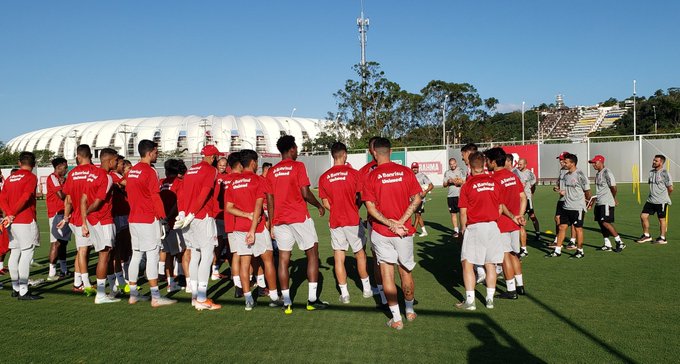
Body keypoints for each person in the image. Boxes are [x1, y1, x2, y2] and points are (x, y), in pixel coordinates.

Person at [362, 137, 422, 330]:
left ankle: (396, 319)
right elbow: (417, 198)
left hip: (381, 231)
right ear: (391, 151)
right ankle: (410, 311)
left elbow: (370, 209)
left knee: (387, 274)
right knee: (406, 272)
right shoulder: (405, 172)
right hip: (403, 232)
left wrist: (390, 223)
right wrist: (401, 222)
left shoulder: (370, 176)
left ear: (373, 152)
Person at [266, 135, 328, 314]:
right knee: (313, 254)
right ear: (292, 148)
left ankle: (287, 303)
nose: (297, 150)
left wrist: (271, 223)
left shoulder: (272, 172)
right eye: (296, 147)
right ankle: (312, 300)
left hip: (280, 220)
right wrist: (318, 205)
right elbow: (305, 192)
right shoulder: (298, 166)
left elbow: (270, 199)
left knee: (283, 260)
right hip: (299, 217)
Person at [226, 149, 281, 310]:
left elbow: (229, 208)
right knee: (268, 261)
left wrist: (245, 215)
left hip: (239, 228)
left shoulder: (233, 183)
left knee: (245, 263)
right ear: (253, 162)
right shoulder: (258, 180)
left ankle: (248, 300)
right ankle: (273, 296)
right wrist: (252, 225)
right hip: (256, 228)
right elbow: (258, 205)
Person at [318, 142, 372, 303]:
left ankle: (345, 294)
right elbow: (361, 196)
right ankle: (367, 290)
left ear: (332, 155)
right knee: (360, 254)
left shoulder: (324, 177)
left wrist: (335, 211)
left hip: (336, 221)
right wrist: (354, 208)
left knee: (339, 256)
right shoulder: (354, 174)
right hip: (352, 220)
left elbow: (325, 202)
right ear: (345, 154)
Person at [125, 139, 176, 307]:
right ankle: (155, 296)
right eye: (156, 151)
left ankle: (133, 294)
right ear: (149, 152)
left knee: (137, 254)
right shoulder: (150, 171)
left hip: (134, 218)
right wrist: (162, 217)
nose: (157, 154)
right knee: (152, 255)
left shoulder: (132, 171)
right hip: (147, 218)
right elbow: (155, 196)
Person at [455, 151, 507, 311]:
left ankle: (470, 301)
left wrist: (463, 230)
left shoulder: (467, 185)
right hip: (492, 226)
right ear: (484, 165)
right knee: (490, 264)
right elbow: (500, 207)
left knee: (467, 263)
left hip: (475, 227)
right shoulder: (494, 183)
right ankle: (489, 299)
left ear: (470, 166)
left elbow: (463, 212)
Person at [176, 144, 222, 311]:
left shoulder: (191, 170)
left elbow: (181, 194)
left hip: (188, 218)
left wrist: (183, 213)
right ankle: (202, 298)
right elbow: (205, 192)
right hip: (201, 216)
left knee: (195, 255)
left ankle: (195, 297)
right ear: (214, 157)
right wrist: (193, 212)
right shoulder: (210, 170)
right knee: (207, 255)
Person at [0, 151, 43, 300]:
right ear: (34, 164)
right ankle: (23, 290)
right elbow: (26, 197)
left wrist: (8, 214)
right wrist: (13, 213)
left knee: (15, 252)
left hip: (12, 221)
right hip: (25, 219)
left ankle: (15, 287)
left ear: (19, 163)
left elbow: (2, 197)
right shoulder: (31, 177)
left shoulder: (11, 177)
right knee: (27, 253)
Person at [485, 148, 526, 299]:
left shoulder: (494, 179)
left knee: (504, 256)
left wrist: (511, 216)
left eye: (487, 160)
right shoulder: (513, 176)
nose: (486, 163)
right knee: (514, 254)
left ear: (494, 162)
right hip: (515, 223)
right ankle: (520, 286)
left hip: (502, 223)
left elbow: (500, 205)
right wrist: (519, 216)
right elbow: (523, 197)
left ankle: (511, 290)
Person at [81, 148, 120, 304]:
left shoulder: (92, 174)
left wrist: (85, 220)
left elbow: (83, 199)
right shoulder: (107, 177)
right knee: (104, 255)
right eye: (116, 160)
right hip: (103, 219)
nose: (117, 162)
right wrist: (87, 215)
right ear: (109, 161)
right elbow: (96, 203)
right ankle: (101, 294)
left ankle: (111, 288)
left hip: (93, 220)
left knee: (105, 254)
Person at [59, 144, 98, 296]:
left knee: (82, 250)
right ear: (90, 156)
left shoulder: (72, 173)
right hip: (91, 218)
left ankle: (77, 282)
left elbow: (68, 199)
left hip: (76, 217)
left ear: (78, 156)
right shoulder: (95, 171)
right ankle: (86, 284)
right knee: (84, 250)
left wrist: (66, 217)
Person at [547, 153, 591, 258]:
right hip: (566, 206)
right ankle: (557, 250)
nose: (564, 164)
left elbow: (587, 192)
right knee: (562, 227)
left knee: (578, 229)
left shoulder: (580, 175)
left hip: (577, 207)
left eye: (566, 162)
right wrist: (561, 191)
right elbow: (568, 189)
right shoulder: (566, 175)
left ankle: (580, 251)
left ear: (572, 163)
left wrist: (587, 204)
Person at [358, 136, 384, 305]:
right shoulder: (364, 171)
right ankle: (384, 293)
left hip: (378, 221)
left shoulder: (364, 171)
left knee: (379, 258)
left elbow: (359, 198)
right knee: (379, 258)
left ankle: (383, 294)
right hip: (381, 221)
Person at [159, 159, 186, 294]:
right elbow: (178, 203)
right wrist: (169, 216)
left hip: (163, 221)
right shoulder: (179, 183)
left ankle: (171, 282)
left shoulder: (162, 183)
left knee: (168, 252)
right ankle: (181, 276)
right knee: (182, 251)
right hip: (174, 221)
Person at [588, 155, 625, 252]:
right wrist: (593, 202)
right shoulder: (598, 174)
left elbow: (613, 187)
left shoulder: (607, 172)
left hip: (606, 202)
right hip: (600, 202)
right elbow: (600, 190)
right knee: (601, 223)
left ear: (600, 162)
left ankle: (619, 242)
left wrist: (613, 198)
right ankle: (607, 244)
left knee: (605, 222)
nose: (593, 165)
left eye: (595, 162)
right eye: (592, 163)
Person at [636, 155, 674, 244]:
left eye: (656, 161)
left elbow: (670, 188)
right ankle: (646, 235)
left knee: (661, 219)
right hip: (650, 200)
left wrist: (665, 197)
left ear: (661, 162)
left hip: (661, 201)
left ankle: (662, 238)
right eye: (653, 160)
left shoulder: (665, 173)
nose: (653, 162)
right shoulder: (651, 172)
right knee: (643, 216)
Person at [45, 157, 71, 281]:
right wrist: (71, 194)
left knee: (63, 242)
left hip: (64, 213)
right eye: (65, 167)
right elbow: (61, 195)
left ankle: (64, 269)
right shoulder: (53, 178)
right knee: (56, 242)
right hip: (56, 214)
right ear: (58, 166)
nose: (66, 169)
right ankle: (51, 272)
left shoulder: (62, 179)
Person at [513, 158, 539, 257]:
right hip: (518, 200)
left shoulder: (530, 174)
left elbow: (533, 186)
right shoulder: (515, 172)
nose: (519, 166)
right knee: (521, 222)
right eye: (518, 164)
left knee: (532, 216)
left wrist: (530, 195)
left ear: (525, 164)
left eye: (521, 164)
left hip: (526, 199)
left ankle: (537, 233)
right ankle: (522, 246)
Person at [551, 152, 577, 249]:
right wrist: (557, 187)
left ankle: (572, 241)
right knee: (557, 218)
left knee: (573, 221)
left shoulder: (571, 171)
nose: (560, 162)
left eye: (562, 160)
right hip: (561, 199)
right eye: (560, 160)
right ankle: (558, 240)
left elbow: (575, 186)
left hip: (570, 199)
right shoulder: (562, 170)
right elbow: (559, 182)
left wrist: (566, 192)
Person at [211, 157, 229, 281]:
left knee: (227, 244)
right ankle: (214, 270)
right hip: (217, 215)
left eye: (224, 165)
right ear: (217, 165)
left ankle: (235, 273)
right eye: (220, 164)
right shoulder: (213, 175)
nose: (222, 167)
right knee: (217, 244)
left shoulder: (229, 176)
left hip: (227, 214)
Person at [443, 158, 465, 238]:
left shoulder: (461, 171)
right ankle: (455, 230)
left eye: (453, 163)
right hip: (450, 196)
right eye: (451, 164)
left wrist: (455, 181)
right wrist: (448, 182)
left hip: (459, 195)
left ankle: (461, 229)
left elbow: (464, 182)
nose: (452, 165)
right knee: (453, 213)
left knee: (461, 213)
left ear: (456, 163)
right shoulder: (447, 173)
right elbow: (444, 185)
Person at [411, 162, 434, 237]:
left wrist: (425, 192)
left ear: (418, 168)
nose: (415, 169)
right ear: (411, 168)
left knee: (417, 214)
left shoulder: (422, 176)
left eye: (416, 168)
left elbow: (431, 185)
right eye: (413, 168)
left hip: (421, 199)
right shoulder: (410, 176)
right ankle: (424, 231)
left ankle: (413, 232)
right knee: (418, 215)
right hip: (413, 199)